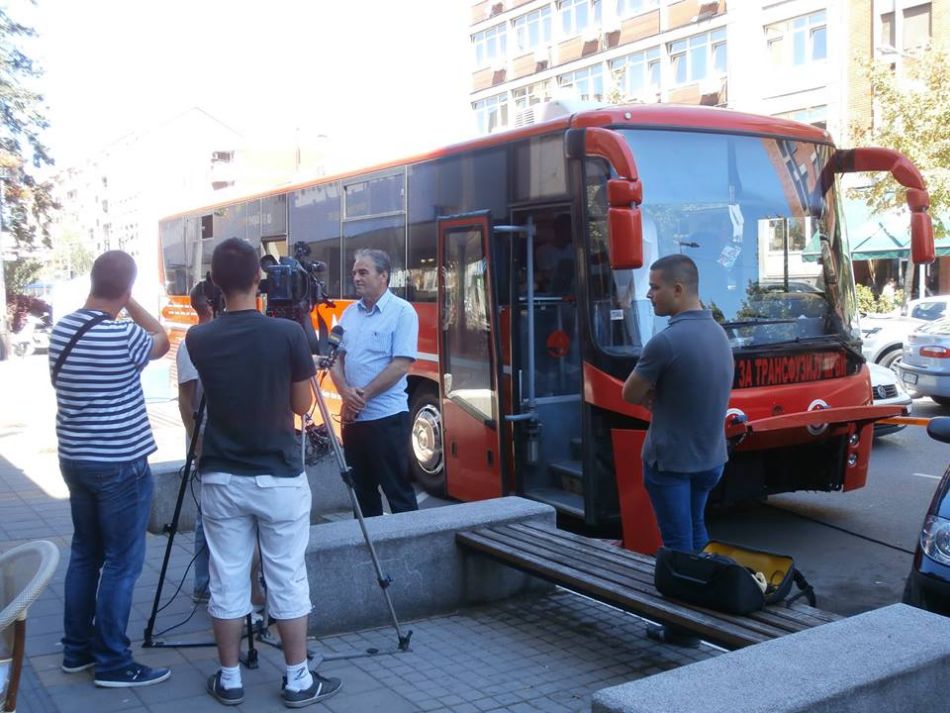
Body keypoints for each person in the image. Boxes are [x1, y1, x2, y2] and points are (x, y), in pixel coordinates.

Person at [187, 238, 341, 707]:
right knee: (286, 576)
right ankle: (297, 680)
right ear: (261, 278)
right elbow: (300, 405)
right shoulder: (287, 335)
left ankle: (229, 678)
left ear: (214, 283)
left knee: (228, 577)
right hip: (277, 475)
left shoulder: (198, 338)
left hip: (221, 476)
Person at [50, 250, 172, 687]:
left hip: (75, 460)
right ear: (124, 288)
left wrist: (116, 295)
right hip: (120, 464)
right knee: (122, 562)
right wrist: (131, 302)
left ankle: (76, 650)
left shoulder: (61, 330)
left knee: (85, 555)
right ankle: (114, 663)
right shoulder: (122, 336)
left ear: (91, 281)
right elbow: (162, 339)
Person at [621, 254, 733, 645]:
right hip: (711, 458)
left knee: (677, 548)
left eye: (655, 287)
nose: (649, 294)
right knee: (697, 532)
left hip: (670, 463)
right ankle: (704, 612)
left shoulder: (665, 342)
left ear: (678, 290)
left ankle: (683, 630)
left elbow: (629, 393)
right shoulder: (719, 334)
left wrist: (654, 393)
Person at [178, 283, 267, 608]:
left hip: (231, 439)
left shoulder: (218, 338)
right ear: (212, 304)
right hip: (208, 441)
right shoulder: (194, 342)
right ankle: (204, 582)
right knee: (207, 518)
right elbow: (185, 400)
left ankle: (242, 584)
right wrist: (197, 447)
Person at [330, 249, 419, 517]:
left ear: (383, 276)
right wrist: (345, 392)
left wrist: (362, 396)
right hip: (353, 420)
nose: (356, 277)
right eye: (355, 272)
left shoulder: (403, 312)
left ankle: (411, 551)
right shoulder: (349, 314)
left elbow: (401, 364)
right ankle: (370, 552)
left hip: (386, 419)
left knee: (397, 491)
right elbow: (334, 358)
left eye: (363, 272)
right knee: (362, 493)